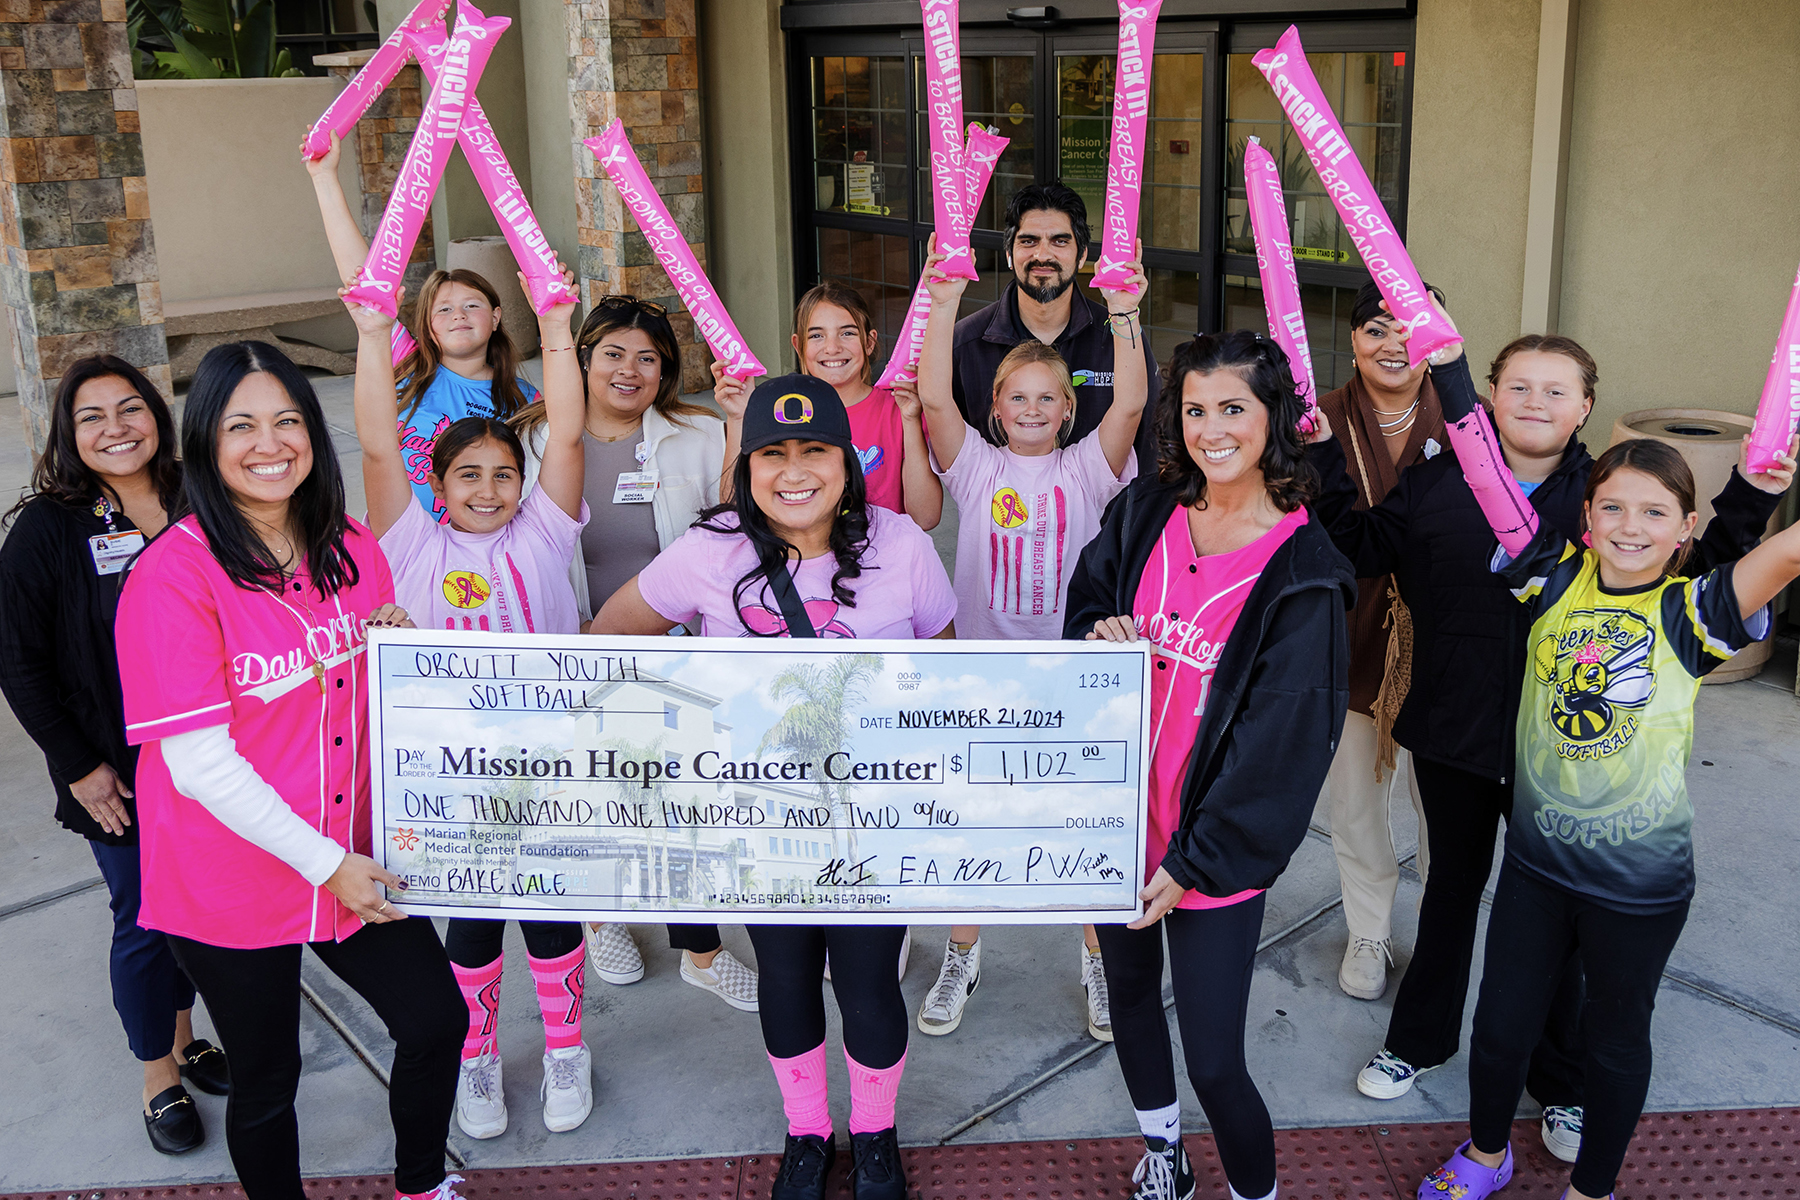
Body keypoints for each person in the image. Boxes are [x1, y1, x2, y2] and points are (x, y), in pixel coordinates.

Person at [1311, 318, 1788, 1165]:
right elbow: (1356, 545)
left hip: (1568, 755)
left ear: (1586, 409)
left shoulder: (1608, 498)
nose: (1535, 401)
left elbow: (1696, 580)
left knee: (1561, 920)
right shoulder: (1439, 483)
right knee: (1451, 890)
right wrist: (1316, 462)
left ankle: (1560, 1082)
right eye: (1518, 385)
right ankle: (1417, 1040)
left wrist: (1752, 496)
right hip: (1455, 731)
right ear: (1488, 398)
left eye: (1556, 390)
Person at [114, 341, 467, 1200]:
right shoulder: (173, 576)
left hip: (349, 849)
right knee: (269, 1081)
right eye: (241, 425)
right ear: (204, 443)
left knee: (435, 1021)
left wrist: (401, 654)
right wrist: (329, 868)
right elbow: (199, 764)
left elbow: (372, 694)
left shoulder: (349, 546)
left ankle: (423, 1185)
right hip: (229, 872)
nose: (269, 443)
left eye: (288, 421)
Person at [590, 373, 955, 1200]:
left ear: (848, 463)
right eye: (773, 454)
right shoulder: (709, 550)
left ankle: (873, 1135)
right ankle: (805, 1134)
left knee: (866, 981)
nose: (795, 471)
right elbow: (610, 638)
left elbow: (949, 668)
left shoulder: (901, 545)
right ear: (746, 465)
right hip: (758, 825)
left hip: (871, 824)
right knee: (786, 977)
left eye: (815, 451)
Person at [1067, 330, 1354, 1200]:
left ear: (1276, 420)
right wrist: (1093, 626)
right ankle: (1164, 1151)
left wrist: (1191, 862)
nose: (1211, 429)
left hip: (1206, 856)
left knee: (1217, 1059)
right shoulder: (1151, 508)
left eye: (1234, 409)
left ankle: (1254, 1191)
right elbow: (1089, 591)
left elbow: (1283, 754)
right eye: (1194, 410)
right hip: (1115, 825)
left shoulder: (1304, 576)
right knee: (1127, 1006)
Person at [345, 272, 600, 1138]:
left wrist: (558, 324)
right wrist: (373, 336)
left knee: (549, 903)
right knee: (476, 914)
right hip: (453, 774)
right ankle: (478, 1057)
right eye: (467, 476)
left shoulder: (543, 527)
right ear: (439, 485)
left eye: (502, 474)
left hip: (550, 762)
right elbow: (381, 449)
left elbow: (564, 432)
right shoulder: (411, 543)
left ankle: (567, 1046)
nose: (487, 490)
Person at [912, 234, 1149, 1041]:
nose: (1034, 410)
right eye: (1019, 398)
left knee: (1078, 819)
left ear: (1067, 410)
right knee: (976, 815)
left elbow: (1130, 406)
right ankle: (963, 951)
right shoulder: (975, 467)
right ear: (998, 408)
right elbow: (935, 402)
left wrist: (1125, 315)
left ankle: (1098, 961)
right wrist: (943, 302)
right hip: (986, 674)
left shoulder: (1088, 468)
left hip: (1073, 678)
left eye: (1049, 399)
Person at [0, 356, 229, 1156]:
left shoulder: (200, 495)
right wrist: (77, 765)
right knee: (141, 920)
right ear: (69, 433)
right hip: (116, 773)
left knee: (196, 913)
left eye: (130, 409)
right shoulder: (48, 527)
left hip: (209, 754)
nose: (115, 428)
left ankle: (185, 1036)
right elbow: (19, 661)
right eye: (92, 416)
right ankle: (156, 1076)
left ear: (158, 418)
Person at [513, 293, 756, 1011]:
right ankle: (602, 910)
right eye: (614, 353)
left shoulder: (695, 432)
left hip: (670, 646)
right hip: (569, 643)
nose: (630, 369)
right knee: (589, 789)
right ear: (583, 358)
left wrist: (738, 422)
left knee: (681, 801)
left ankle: (703, 955)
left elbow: (734, 514)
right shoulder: (531, 441)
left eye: (647, 358)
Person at [1315, 280, 1446, 1002]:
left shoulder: (1467, 422)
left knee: (1442, 802)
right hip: (1348, 630)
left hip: (1443, 636)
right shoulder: (1319, 420)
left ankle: (1437, 929)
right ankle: (1368, 929)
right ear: (1355, 341)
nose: (1393, 343)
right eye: (1375, 329)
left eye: (1410, 328)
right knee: (1356, 799)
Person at [306, 132, 538, 522]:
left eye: (471, 305)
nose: (458, 315)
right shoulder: (405, 365)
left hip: (479, 552)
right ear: (427, 327)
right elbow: (366, 284)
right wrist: (324, 178)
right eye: (443, 309)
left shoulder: (524, 400)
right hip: (406, 547)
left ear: (496, 317)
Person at [949, 182, 1161, 475]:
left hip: (1104, 520)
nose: (1043, 255)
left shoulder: (1119, 338)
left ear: (1082, 255)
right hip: (1000, 517)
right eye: (1029, 241)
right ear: (1009, 254)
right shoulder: (965, 343)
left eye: (1060, 241)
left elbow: (1149, 441)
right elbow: (946, 446)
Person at [791, 279, 941, 528]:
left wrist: (910, 421)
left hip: (882, 559)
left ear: (869, 342)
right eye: (816, 335)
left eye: (847, 333)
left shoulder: (898, 411)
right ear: (799, 345)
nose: (832, 347)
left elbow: (925, 517)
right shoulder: (785, 414)